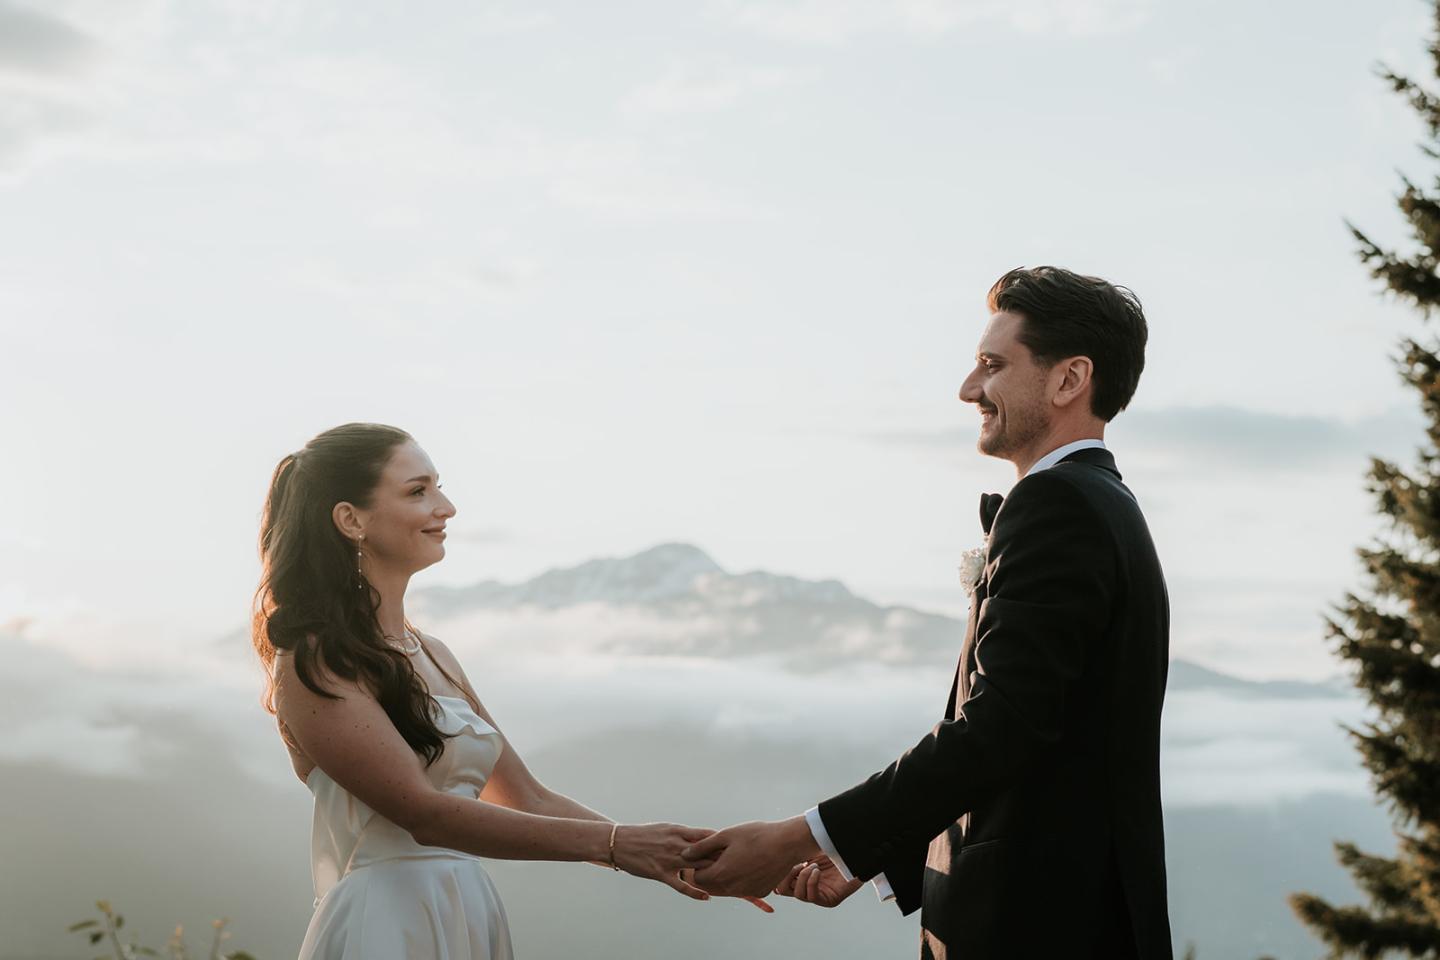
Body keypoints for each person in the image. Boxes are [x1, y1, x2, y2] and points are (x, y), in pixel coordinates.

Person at [684, 266, 1174, 959]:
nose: (968, 388)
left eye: (992, 365)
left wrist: (802, 835)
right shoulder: (1104, 504)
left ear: (1069, 381)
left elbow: (1001, 727)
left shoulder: (1057, 506)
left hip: (1037, 929)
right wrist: (867, 856)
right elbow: (1036, 739)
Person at [252, 423, 755, 960]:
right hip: (387, 921)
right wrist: (616, 846)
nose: (445, 506)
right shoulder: (317, 659)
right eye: (418, 491)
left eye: (438, 486)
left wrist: (686, 856)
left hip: (464, 908)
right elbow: (427, 814)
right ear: (351, 520)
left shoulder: (433, 653)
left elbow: (527, 797)